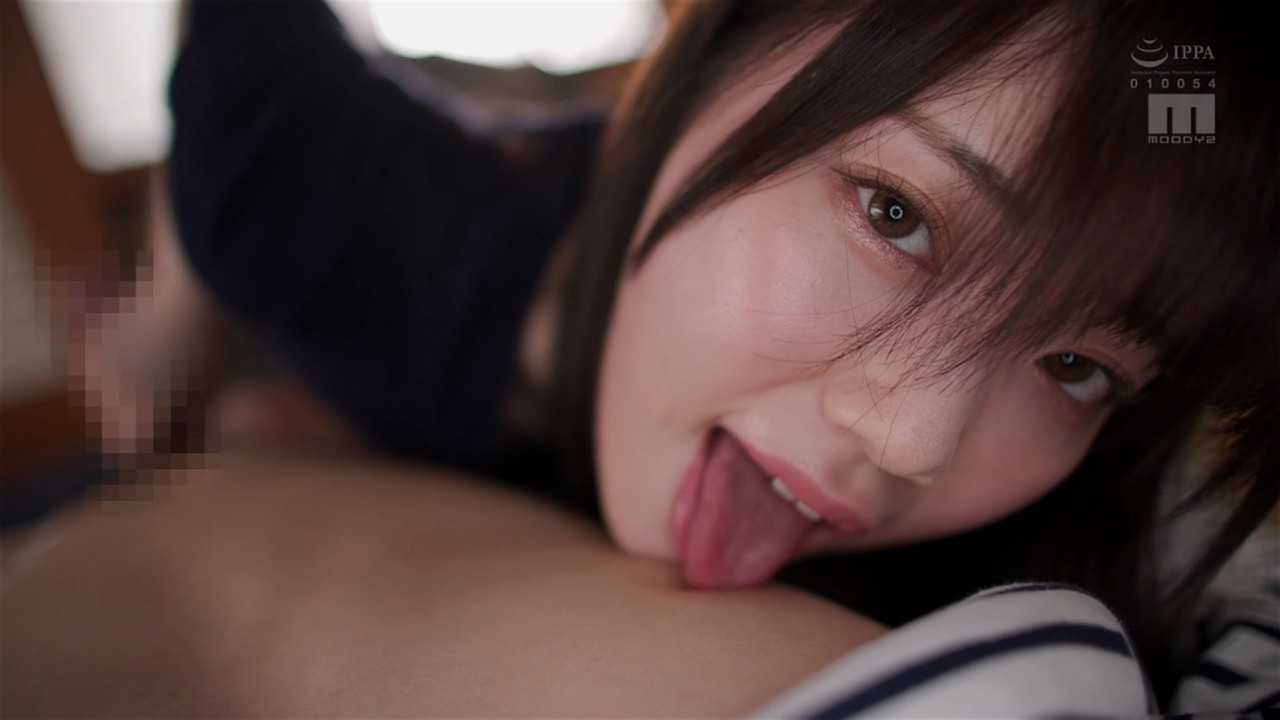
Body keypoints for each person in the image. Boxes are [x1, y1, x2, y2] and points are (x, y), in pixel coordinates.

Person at [73, 0, 1277, 713]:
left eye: (1075, 368)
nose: (913, 442)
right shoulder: (324, 211)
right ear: (708, 57)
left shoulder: (1071, 521)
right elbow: (237, 57)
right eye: (895, 214)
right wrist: (175, 312)